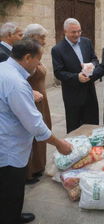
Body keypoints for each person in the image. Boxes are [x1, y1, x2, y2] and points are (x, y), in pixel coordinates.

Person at [0, 39, 72, 224]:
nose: (40, 64)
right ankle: (10, 218)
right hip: (9, 147)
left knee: (10, 190)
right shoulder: (16, 82)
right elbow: (34, 124)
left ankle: (13, 214)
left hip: (8, 141)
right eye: (38, 60)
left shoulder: (5, 69)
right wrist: (59, 143)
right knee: (11, 188)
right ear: (26, 57)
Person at [51, 18, 99, 133]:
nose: (77, 34)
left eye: (79, 31)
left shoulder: (86, 42)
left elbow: (95, 59)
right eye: (73, 32)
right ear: (65, 32)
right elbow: (58, 72)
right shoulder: (57, 49)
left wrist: (90, 65)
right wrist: (76, 77)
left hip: (89, 92)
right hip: (72, 95)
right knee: (74, 129)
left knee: (92, 126)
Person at [23, 24, 52, 184]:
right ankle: (29, 172)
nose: (45, 41)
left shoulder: (36, 52)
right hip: (31, 101)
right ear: (33, 37)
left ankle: (39, 166)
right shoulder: (26, 54)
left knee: (43, 130)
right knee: (33, 134)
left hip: (42, 100)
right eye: (42, 37)